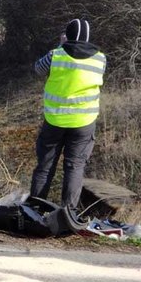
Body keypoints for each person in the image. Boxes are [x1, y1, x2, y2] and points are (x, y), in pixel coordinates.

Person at [29, 18, 107, 211]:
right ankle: (68, 213)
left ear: (68, 35)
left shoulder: (56, 55)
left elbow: (38, 69)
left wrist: (61, 46)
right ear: (88, 37)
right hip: (84, 122)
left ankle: (34, 209)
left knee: (45, 166)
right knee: (75, 167)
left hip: (55, 119)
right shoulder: (100, 59)